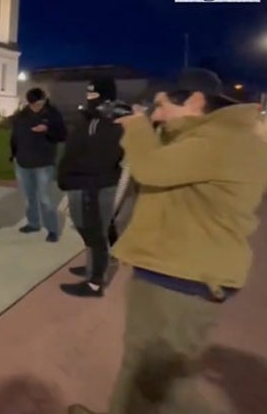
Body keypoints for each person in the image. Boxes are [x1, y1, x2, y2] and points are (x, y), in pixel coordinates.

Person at [68, 69, 267, 414]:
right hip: (174, 267)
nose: (155, 115)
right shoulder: (212, 138)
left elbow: (151, 169)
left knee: (169, 382)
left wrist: (137, 128)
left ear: (194, 100)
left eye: (159, 106)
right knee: (141, 367)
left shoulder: (220, 141)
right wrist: (150, 127)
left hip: (183, 277)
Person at [56, 78, 124, 298]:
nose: (88, 97)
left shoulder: (105, 120)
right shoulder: (92, 118)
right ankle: (93, 266)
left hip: (91, 184)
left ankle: (95, 282)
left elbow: (98, 156)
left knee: (93, 231)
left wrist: (72, 175)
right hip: (84, 182)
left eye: (93, 93)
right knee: (88, 229)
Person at [9, 88, 66, 242]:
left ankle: (52, 229)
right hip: (23, 162)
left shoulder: (52, 114)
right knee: (28, 197)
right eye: (34, 104)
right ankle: (33, 223)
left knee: (45, 198)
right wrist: (14, 155)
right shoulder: (21, 116)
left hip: (43, 162)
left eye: (39, 104)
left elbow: (62, 134)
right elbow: (15, 136)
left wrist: (48, 129)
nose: (37, 107)